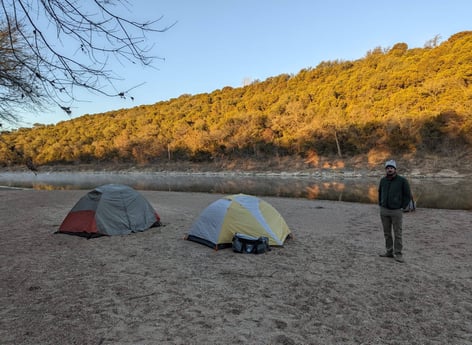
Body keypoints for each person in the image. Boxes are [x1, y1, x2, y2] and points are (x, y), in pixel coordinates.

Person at [378, 159, 412, 263]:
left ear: (395, 169)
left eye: (391, 168)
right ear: (386, 169)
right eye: (388, 168)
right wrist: (381, 203)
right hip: (384, 210)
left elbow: (408, 195)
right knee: (387, 233)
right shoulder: (383, 180)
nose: (389, 169)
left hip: (396, 211)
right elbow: (380, 193)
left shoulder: (402, 181)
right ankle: (389, 252)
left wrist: (402, 206)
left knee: (398, 233)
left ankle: (398, 254)